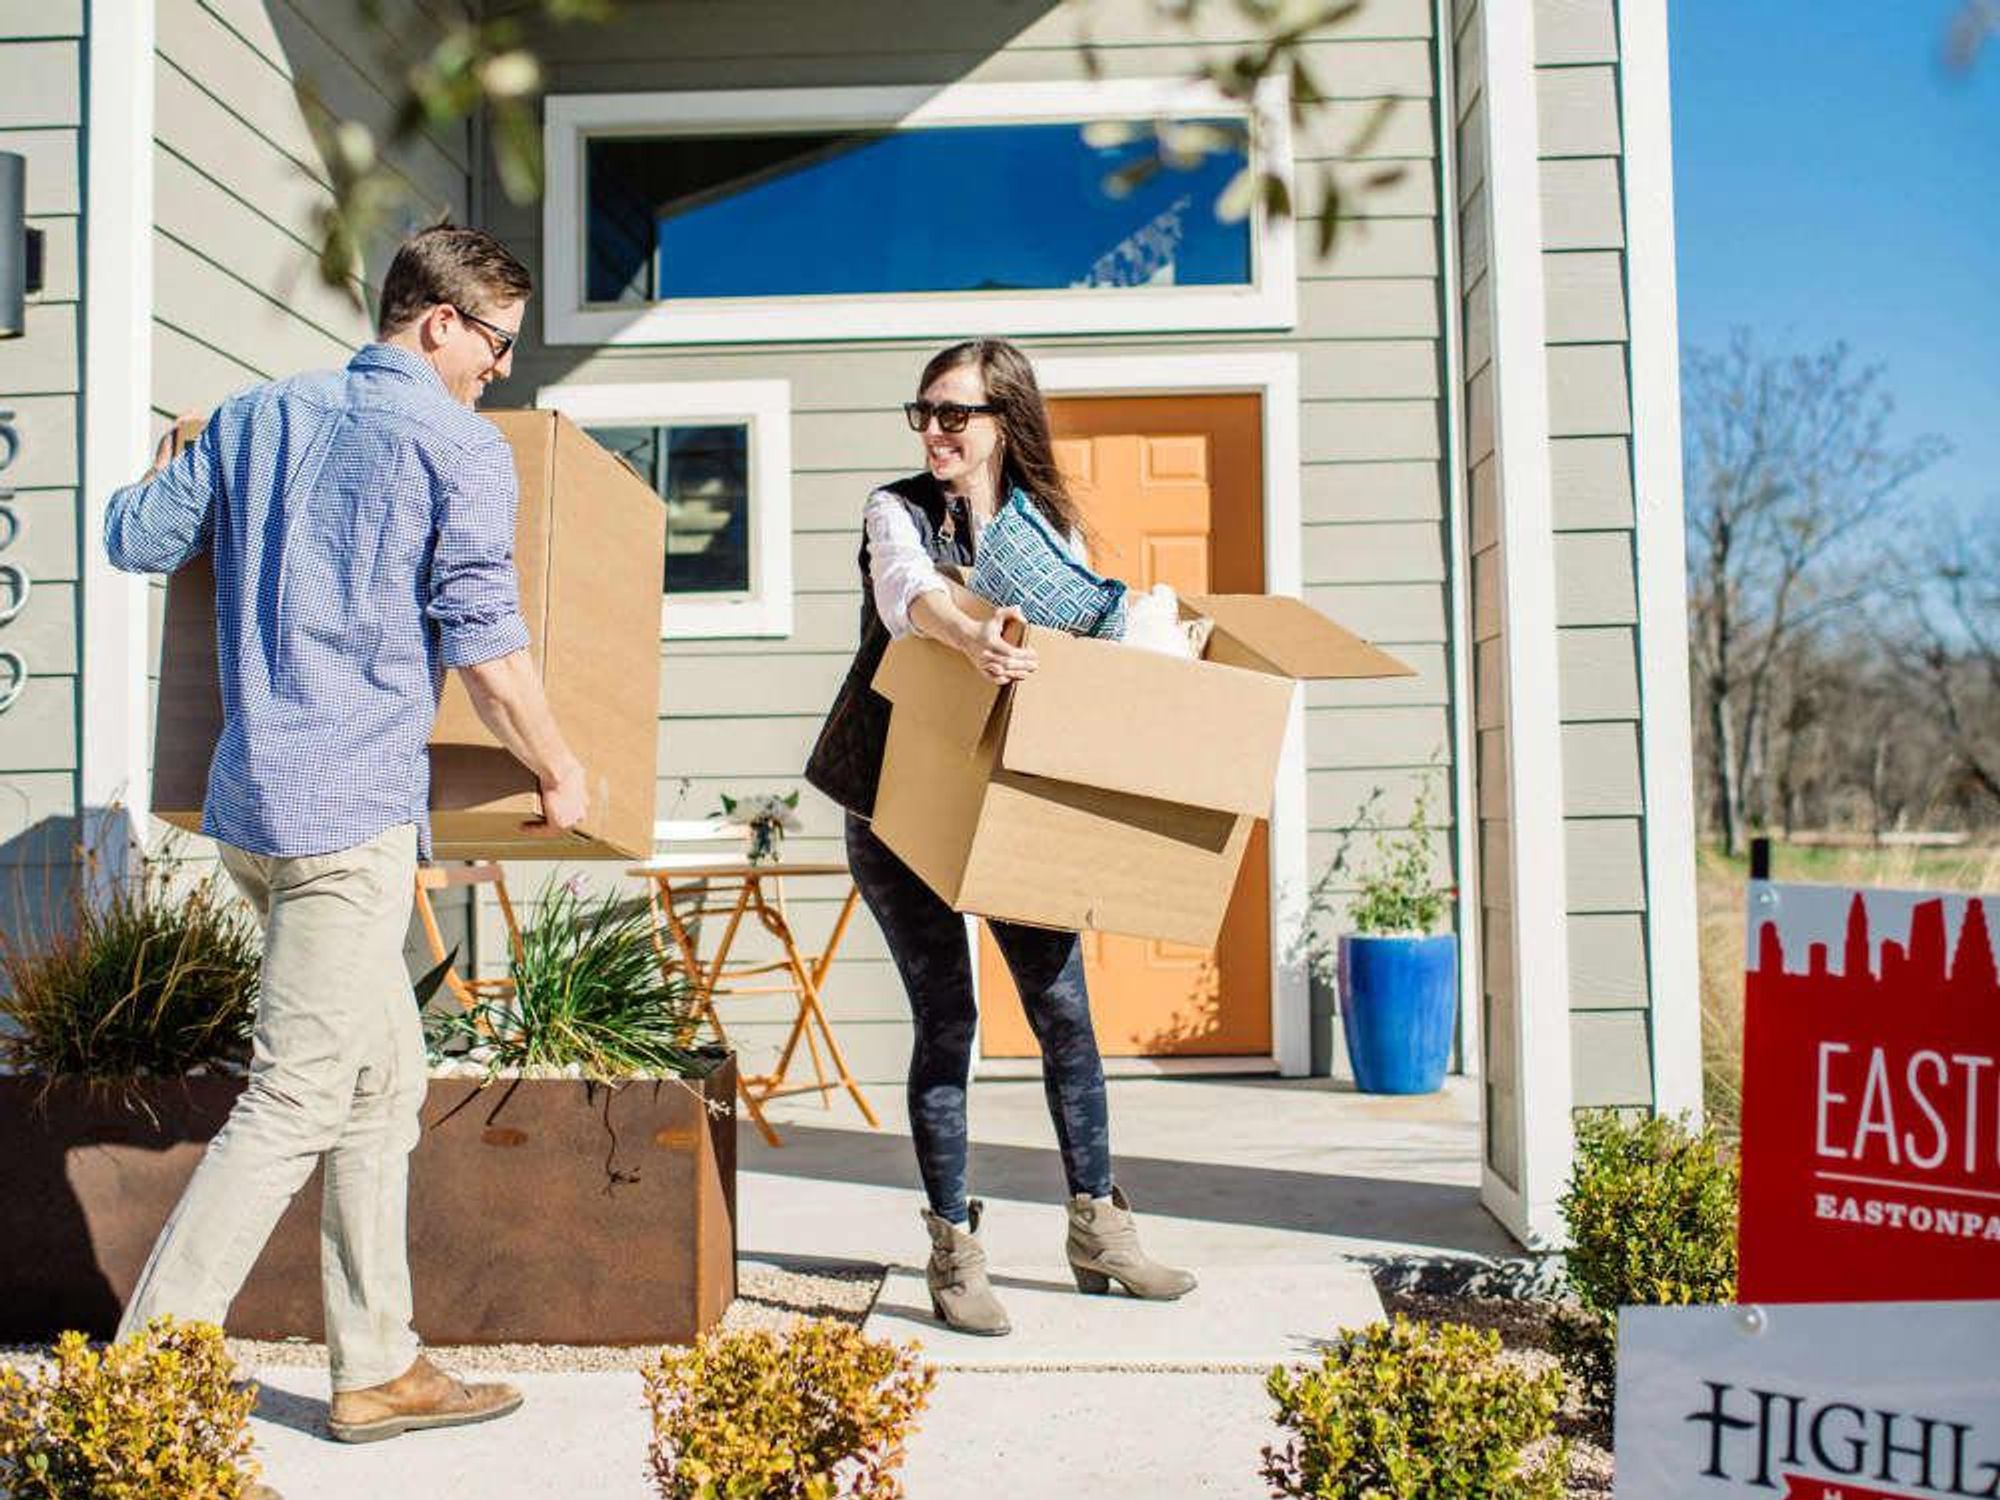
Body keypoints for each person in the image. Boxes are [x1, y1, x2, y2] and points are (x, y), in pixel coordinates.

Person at [105, 225, 586, 1463]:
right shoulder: (459, 448)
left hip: (254, 812)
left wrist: (179, 455)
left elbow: (135, 539)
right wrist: (557, 765)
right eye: (494, 344)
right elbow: (485, 644)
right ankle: (137, 1392)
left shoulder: (252, 417)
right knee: (297, 1097)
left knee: (383, 1083)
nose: (498, 370)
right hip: (345, 822)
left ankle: (376, 1368)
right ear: (438, 322)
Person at [805, 338, 1196, 1337]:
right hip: (898, 802)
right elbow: (905, 592)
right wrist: (967, 631)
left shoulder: (1045, 528)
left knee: (1062, 1011)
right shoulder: (896, 510)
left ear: (1002, 421)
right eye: (924, 412)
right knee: (948, 1020)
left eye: (954, 413)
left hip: (1013, 802)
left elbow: (1094, 639)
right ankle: (953, 1250)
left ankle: (1101, 1232)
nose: (934, 430)